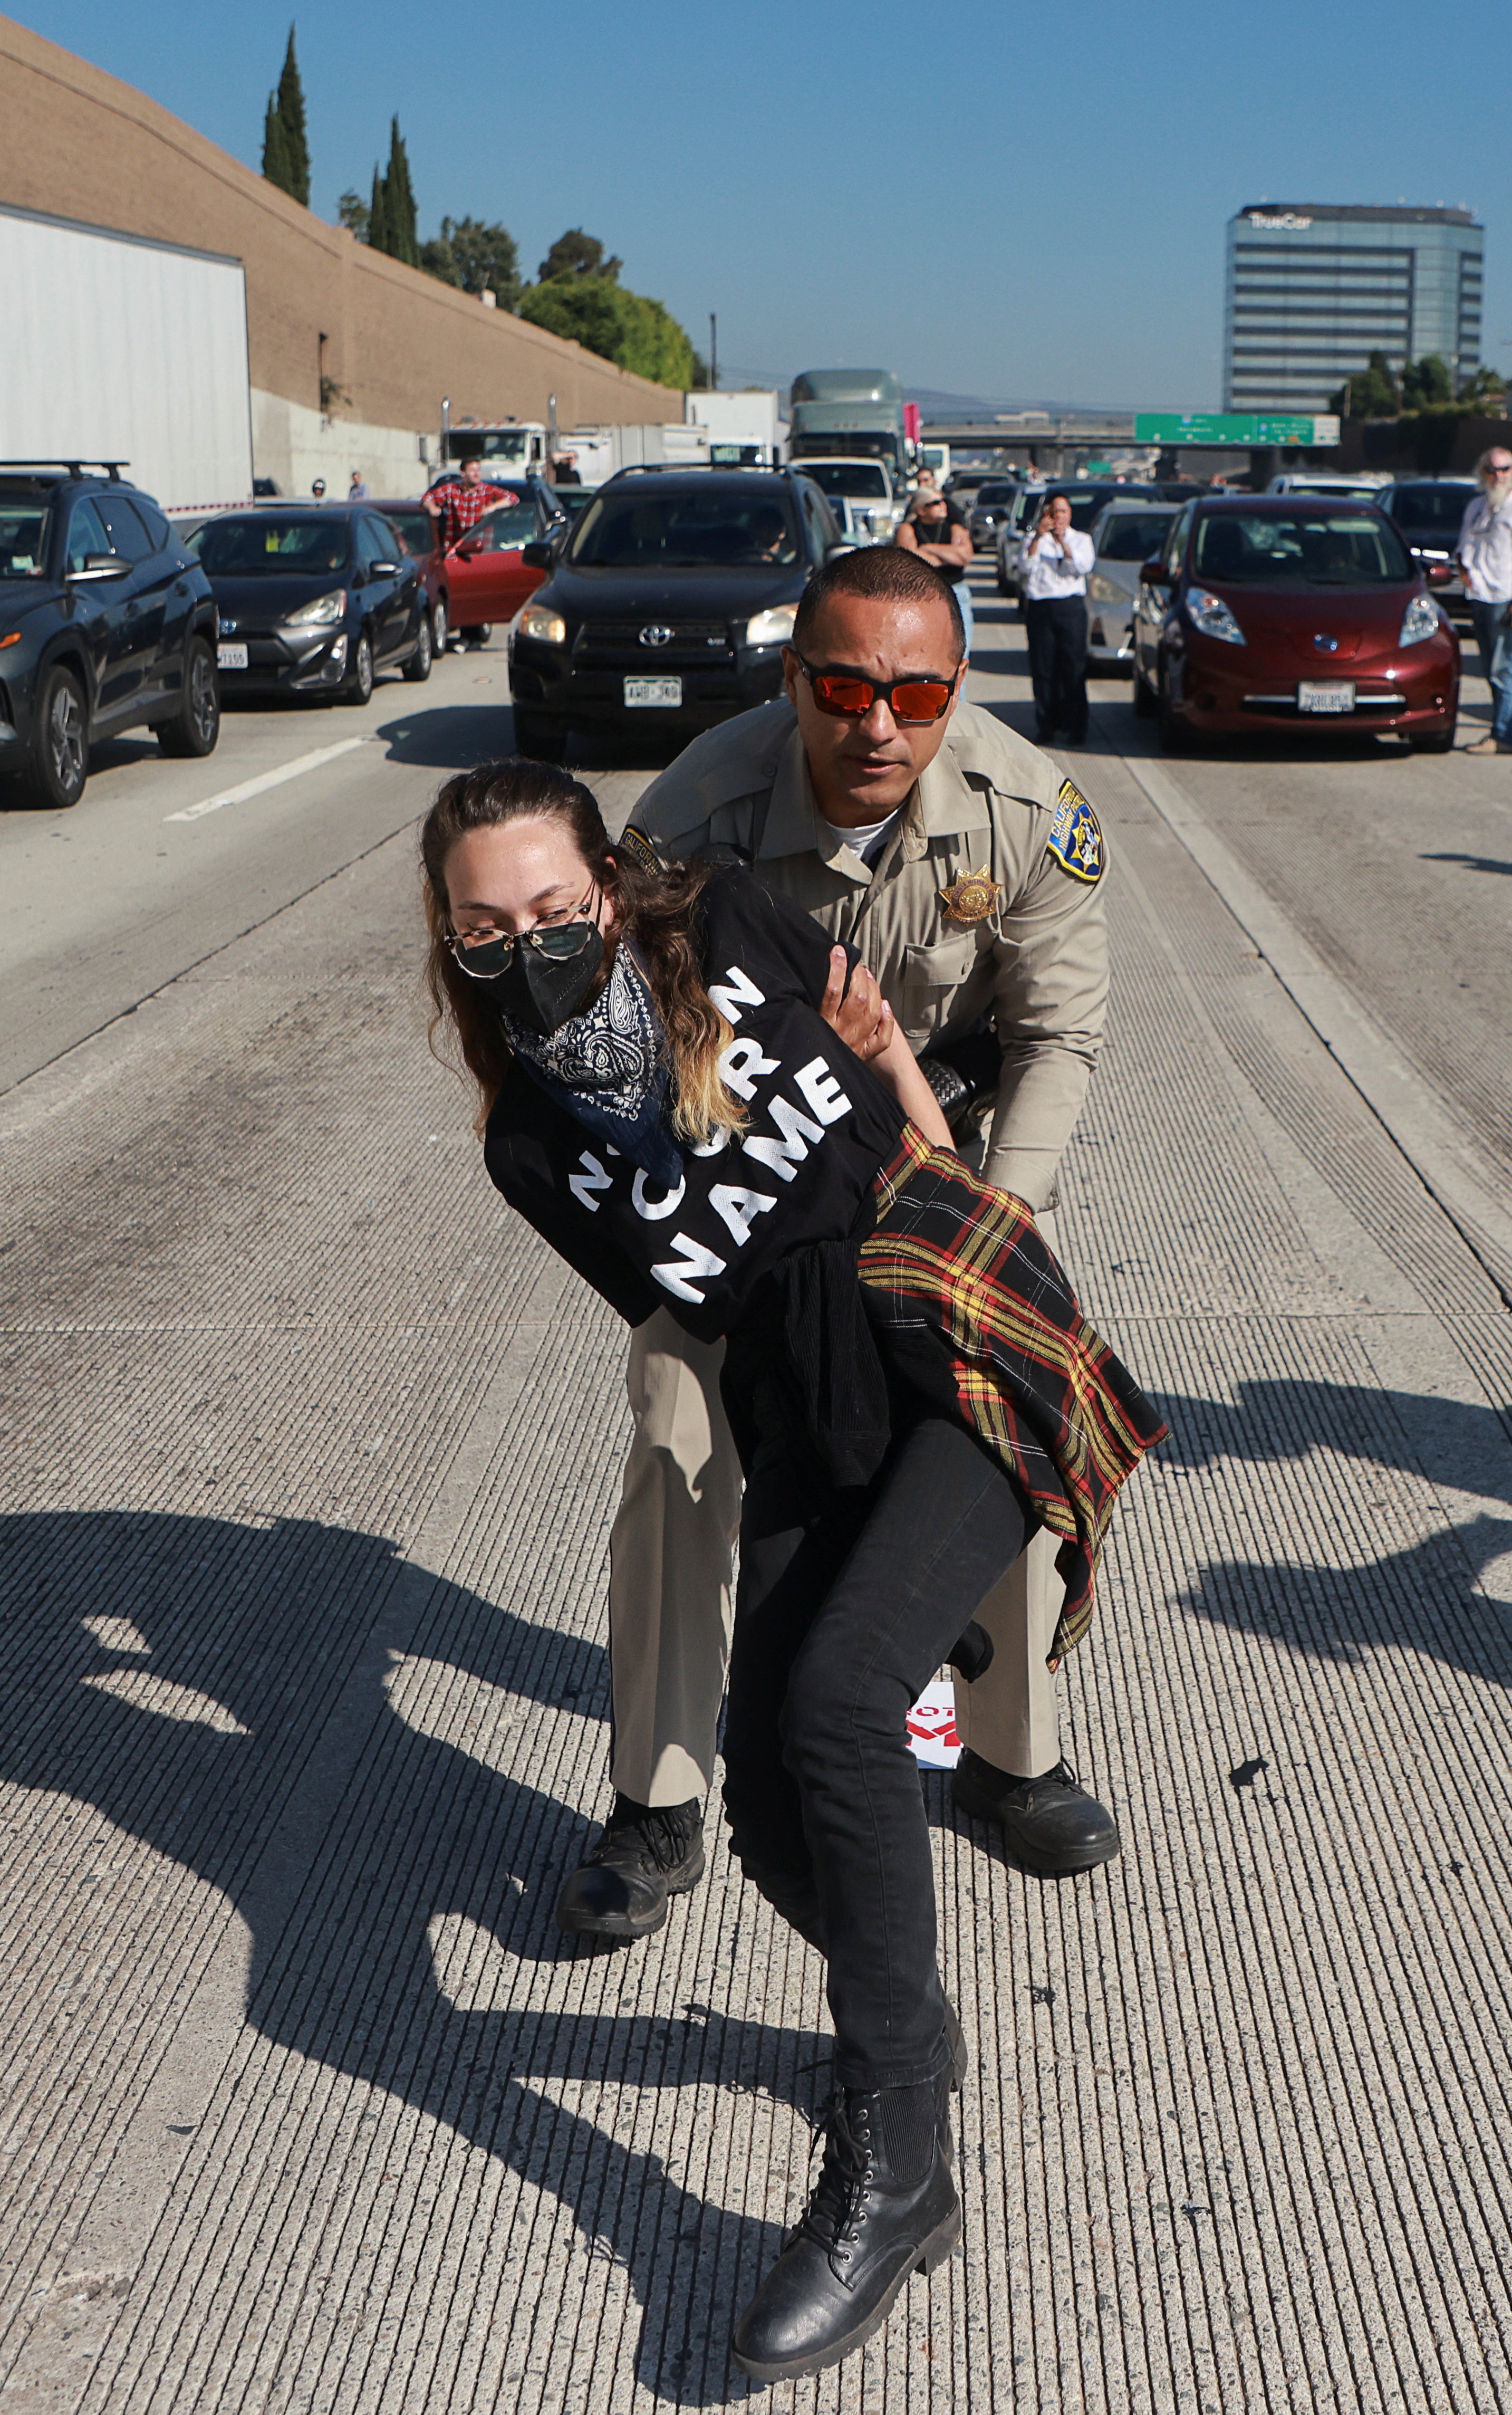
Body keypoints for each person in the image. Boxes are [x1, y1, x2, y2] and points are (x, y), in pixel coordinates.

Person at [420, 756, 1162, 2380]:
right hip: (799, 1399)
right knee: (763, 1805)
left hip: (938, 1332)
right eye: (488, 934)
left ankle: (892, 2158)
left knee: (836, 1705)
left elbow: (890, 1098)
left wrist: (906, 1077)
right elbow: (692, 1304)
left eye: (553, 909)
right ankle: (910, 2031)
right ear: (453, 948)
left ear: (607, 887)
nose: (529, 944)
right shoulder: (531, 1154)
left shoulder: (735, 920)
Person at [563, 545, 1115, 1948]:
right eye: (845, 685)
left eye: (916, 691)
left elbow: (1057, 1033)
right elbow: (630, 1031)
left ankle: (1008, 1755)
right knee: (674, 1425)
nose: (878, 723)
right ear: (793, 677)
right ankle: (659, 1793)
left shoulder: (1029, 808)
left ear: (954, 690)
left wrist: (1007, 1214)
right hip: (747, 1163)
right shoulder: (699, 806)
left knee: (1013, 1415)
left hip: (940, 1152)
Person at [1456, 448, 1512, 755]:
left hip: (1504, 599)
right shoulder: (1477, 507)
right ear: (1483, 472)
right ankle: (1498, 730)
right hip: (1479, 597)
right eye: (1493, 470)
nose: (1499, 475)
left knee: (1504, 668)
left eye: (1505, 469)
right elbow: (1464, 547)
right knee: (1489, 669)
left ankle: (1502, 736)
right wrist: (1464, 572)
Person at [1020, 491, 1094, 745]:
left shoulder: (1082, 539)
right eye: (1053, 512)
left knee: (1073, 668)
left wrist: (1064, 544)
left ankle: (1076, 727)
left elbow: (1083, 568)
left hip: (1070, 607)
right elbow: (1025, 567)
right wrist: (1039, 537)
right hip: (1041, 606)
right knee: (1043, 669)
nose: (1058, 517)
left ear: (1070, 515)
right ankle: (1046, 725)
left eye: (1062, 512)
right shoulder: (1034, 539)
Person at [897, 483, 975, 649]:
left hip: (957, 591)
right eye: (936, 503)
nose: (942, 505)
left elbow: (965, 556)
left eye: (943, 501)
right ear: (921, 510)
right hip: (922, 593)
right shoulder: (908, 529)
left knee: (961, 650)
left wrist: (929, 549)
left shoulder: (954, 529)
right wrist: (949, 556)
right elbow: (911, 558)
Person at [423, 456, 518, 551]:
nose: (477, 474)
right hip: (454, 550)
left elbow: (513, 498)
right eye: (473, 470)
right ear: (463, 474)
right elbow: (427, 498)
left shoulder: (488, 490)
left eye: (478, 470)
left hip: (481, 550)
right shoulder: (451, 490)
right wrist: (432, 507)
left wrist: (493, 507)